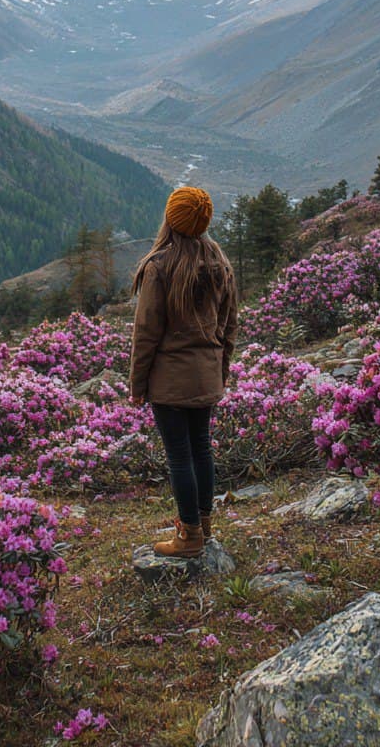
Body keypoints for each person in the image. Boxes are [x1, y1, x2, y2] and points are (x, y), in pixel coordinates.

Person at [129, 186, 238, 558]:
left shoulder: (160, 266)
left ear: (171, 219)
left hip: (170, 382)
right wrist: (220, 372)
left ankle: (189, 536)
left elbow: (146, 333)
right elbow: (229, 327)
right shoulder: (220, 262)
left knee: (180, 456)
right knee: (201, 450)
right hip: (205, 376)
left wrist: (137, 385)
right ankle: (202, 525)